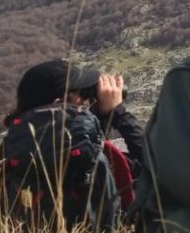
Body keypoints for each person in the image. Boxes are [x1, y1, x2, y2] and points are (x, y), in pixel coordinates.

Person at [8, 60, 145, 182]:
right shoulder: (81, 155)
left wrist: (98, 117)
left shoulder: (12, 149)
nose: (85, 100)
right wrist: (117, 112)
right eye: (82, 94)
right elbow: (153, 165)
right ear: (59, 106)